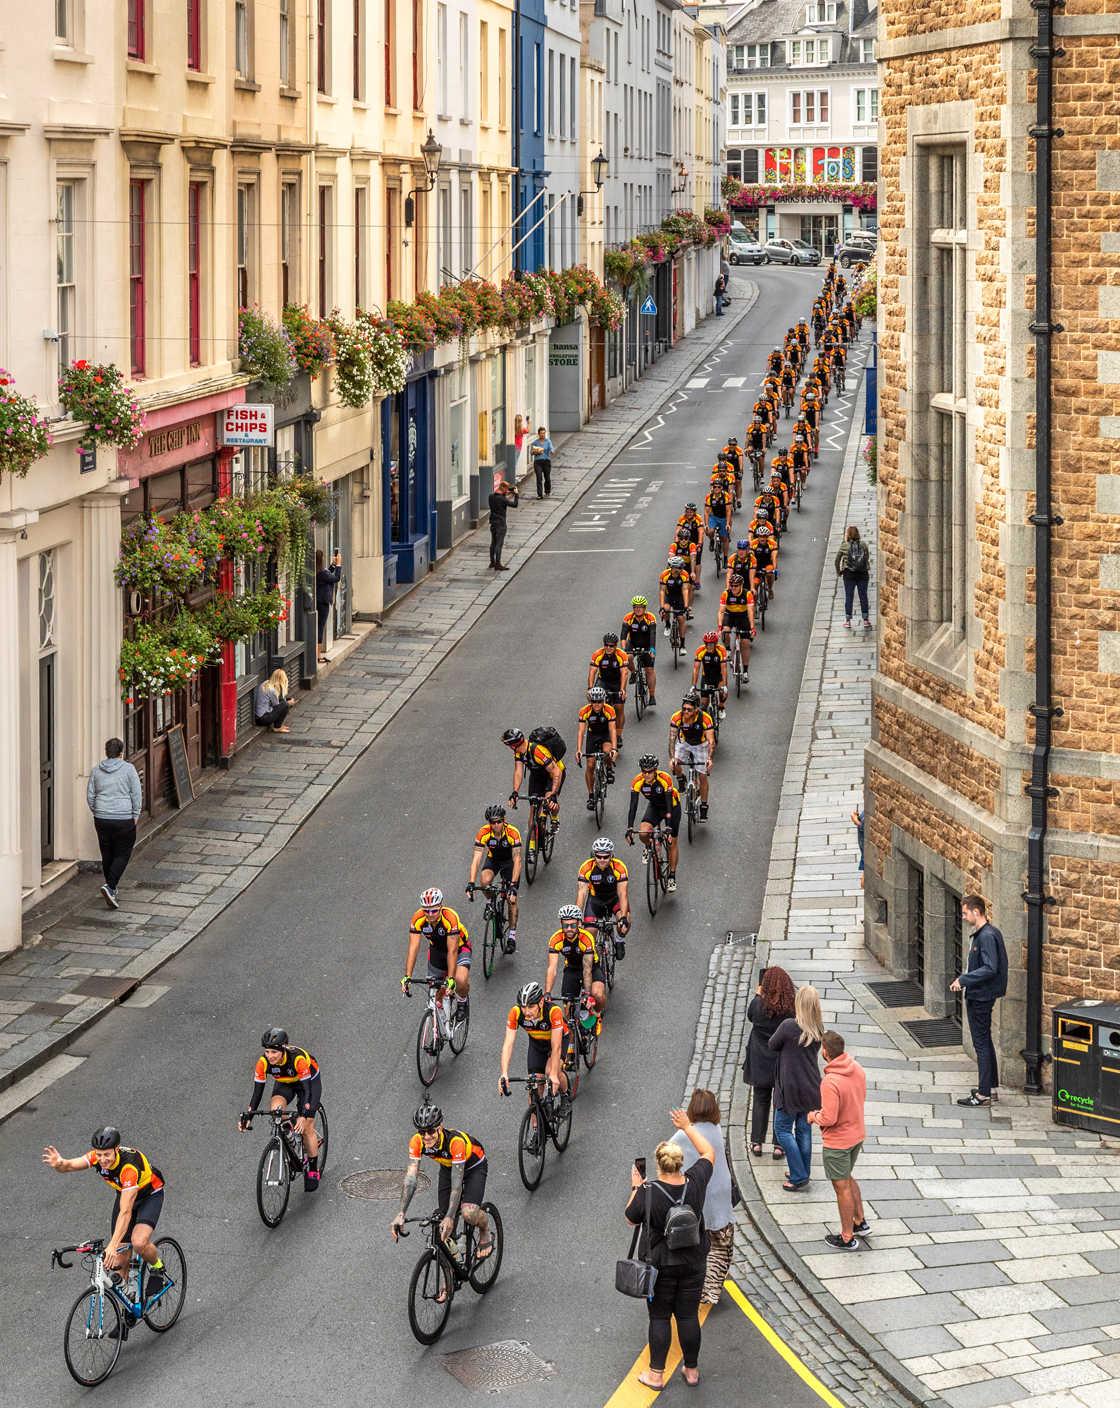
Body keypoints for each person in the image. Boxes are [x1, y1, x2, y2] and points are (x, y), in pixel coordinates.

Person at [626, 1108, 714, 1389]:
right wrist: (687, 1126)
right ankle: (691, 1371)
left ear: (658, 1164)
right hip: (694, 1260)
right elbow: (708, 1152)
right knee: (688, 1315)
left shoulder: (648, 1191)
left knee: (660, 1316)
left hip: (660, 1265)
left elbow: (631, 1219)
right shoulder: (696, 1181)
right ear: (680, 1163)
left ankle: (655, 1374)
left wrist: (635, 1187)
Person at [43, 1127, 169, 1295]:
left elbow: (125, 1212)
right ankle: (126, 1308)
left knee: (138, 1243)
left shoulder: (129, 1168)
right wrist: (59, 1164)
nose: (102, 1160)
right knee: (120, 1258)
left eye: (107, 1155)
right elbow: (68, 1166)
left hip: (149, 1195)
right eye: (99, 1155)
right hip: (125, 1194)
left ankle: (157, 1268)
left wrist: (112, 1245)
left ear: (117, 1149)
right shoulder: (98, 1156)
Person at [392, 1101, 492, 1259]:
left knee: (468, 1212)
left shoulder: (455, 1142)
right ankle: (451, 1275)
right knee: (441, 1225)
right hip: (449, 1167)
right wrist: (401, 1214)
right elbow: (411, 1178)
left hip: (473, 1166)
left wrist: (451, 1217)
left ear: (439, 1128)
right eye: (422, 1132)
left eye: (430, 1130)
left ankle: (485, 1231)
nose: (426, 1136)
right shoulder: (417, 1141)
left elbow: (457, 1185)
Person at [670, 1090, 734, 1304]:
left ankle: (704, 1290)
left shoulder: (685, 1134)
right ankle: (713, 1287)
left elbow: (668, 1155)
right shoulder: (716, 1128)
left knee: (702, 1244)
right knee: (720, 1242)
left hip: (702, 1195)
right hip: (722, 1192)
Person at [238, 1027, 323, 1190]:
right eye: (267, 1051)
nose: (270, 1056)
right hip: (285, 1082)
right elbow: (257, 1092)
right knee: (275, 1111)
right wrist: (248, 1117)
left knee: (307, 1126)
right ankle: (291, 1136)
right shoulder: (263, 1062)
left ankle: (313, 1169)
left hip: (308, 1082)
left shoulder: (298, 1059)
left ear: (283, 1049)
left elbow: (306, 1090)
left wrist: (303, 1115)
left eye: (274, 1053)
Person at [808, 1031, 870, 1250]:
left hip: (839, 1142)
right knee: (847, 1178)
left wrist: (813, 1116)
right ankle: (860, 1222)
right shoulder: (857, 1069)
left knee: (841, 1187)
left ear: (824, 1052)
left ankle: (847, 1237)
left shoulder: (830, 1082)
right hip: (856, 1135)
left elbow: (829, 1118)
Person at [951, 896, 1009, 1106]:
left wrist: (963, 980)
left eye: (966, 913)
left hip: (980, 996)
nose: (964, 917)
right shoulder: (987, 933)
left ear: (977, 912)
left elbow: (990, 968)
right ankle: (990, 1087)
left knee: (981, 1044)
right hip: (982, 994)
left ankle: (983, 1095)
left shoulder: (986, 936)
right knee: (985, 1041)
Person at [767, 984, 823, 1190]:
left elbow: (772, 1044)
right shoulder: (817, 1029)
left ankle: (798, 1176)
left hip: (789, 1087)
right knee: (803, 1130)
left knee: (782, 1130)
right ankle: (802, 1170)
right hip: (811, 1086)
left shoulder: (789, 1026)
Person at [742, 965, 796, 1159]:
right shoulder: (790, 1008)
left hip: (759, 1060)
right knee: (780, 1102)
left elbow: (750, 1016)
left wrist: (758, 995)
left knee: (760, 1099)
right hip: (781, 1061)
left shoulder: (758, 1006)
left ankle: (756, 1142)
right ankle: (778, 1145)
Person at [87, 738, 142, 910]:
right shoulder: (128, 769)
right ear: (121, 752)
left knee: (107, 852)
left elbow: (91, 795)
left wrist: (97, 812)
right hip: (123, 817)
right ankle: (110, 886)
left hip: (102, 818)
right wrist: (135, 814)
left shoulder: (96, 770)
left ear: (106, 752)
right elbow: (136, 794)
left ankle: (111, 886)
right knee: (123, 853)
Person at [403, 887, 471, 1021]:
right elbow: (413, 948)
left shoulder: (450, 917)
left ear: (441, 906)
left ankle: (462, 1001)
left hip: (460, 948)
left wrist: (451, 978)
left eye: (434, 910)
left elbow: (452, 951)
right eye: (426, 910)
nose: (430, 914)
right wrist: (407, 976)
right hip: (437, 951)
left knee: (459, 980)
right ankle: (437, 1036)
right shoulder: (418, 918)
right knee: (434, 993)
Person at [500, 980, 569, 1107]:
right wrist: (504, 1073)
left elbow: (556, 1047)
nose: (527, 1012)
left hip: (557, 1041)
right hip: (536, 1043)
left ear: (541, 1003)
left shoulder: (554, 1011)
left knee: (551, 1071)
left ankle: (565, 1094)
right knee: (534, 1088)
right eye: (524, 1007)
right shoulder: (515, 1013)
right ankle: (536, 1126)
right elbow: (507, 1045)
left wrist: (553, 1074)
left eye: (531, 1007)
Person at [467, 803, 521, 951]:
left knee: (511, 900)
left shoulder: (512, 833)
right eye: (493, 822)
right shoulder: (483, 833)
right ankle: (491, 901)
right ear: (488, 822)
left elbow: (518, 861)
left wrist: (513, 886)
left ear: (504, 819)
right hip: (494, 860)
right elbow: (476, 860)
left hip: (510, 863)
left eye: (499, 821)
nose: (496, 825)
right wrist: (471, 883)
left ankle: (512, 936)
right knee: (484, 881)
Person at [626, 754, 681, 892]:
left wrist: (668, 827)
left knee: (672, 842)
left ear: (655, 770)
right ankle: (648, 846)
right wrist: (630, 828)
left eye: (649, 771)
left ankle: (672, 877)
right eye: (644, 771)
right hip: (655, 808)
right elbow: (633, 806)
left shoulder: (665, 779)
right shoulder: (637, 781)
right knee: (643, 832)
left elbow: (669, 805)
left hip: (672, 807)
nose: (646, 774)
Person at [545, 903, 608, 1015]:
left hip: (592, 968)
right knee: (568, 1010)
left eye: (573, 925)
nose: (569, 929)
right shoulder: (556, 939)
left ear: (579, 923)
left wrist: (587, 994)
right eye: (566, 925)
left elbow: (587, 969)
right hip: (572, 969)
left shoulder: (586, 938)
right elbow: (552, 968)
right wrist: (547, 993)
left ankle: (597, 1014)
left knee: (597, 994)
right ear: (561, 924)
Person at [576, 836, 630, 959]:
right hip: (596, 900)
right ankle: (594, 959)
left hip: (614, 898)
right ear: (593, 854)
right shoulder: (586, 867)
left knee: (625, 922)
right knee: (589, 935)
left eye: (605, 857)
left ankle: (620, 940)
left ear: (611, 855)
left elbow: (623, 894)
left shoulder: (619, 867)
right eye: (598, 856)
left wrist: (623, 918)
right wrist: (577, 917)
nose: (602, 860)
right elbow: (581, 894)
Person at [502, 726, 565, 826]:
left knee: (550, 803)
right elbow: (518, 772)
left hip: (552, 775)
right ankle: (532, 841)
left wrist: (554, 794)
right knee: (533, 811)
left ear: (513, 745)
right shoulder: (518, 752)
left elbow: (557, 772)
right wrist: (515, 792)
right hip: (537, 776)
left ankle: (554, 818)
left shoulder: (537, 751)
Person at [669, 693, 715, 821]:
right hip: (684, 742)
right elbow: (672, 738)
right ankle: (681, 778)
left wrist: (709, 759)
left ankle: (704, 807)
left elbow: (711, 741)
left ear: (696, 709)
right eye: (684, 709)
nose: (686, 712)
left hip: (700, 744)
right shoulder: (677, 717)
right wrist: (672, 758)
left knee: (702, 775)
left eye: (689, 709)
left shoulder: (705, 719)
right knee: (675, 765)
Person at [576, 687, 618, 807]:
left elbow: (612, 730)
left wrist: (614, 749)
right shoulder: (584, 711)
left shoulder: (609, 710)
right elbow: (581, 732)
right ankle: (591, 796)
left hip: (605, 735)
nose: (597, 704)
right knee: (590, 765)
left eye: (599, 701)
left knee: (606, 751)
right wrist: (579, 750)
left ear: (604, 701)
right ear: (590, 701)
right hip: (592, 735)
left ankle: (609, 769)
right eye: (594, 702)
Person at [589, 633, 630, 749]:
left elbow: (624, 673)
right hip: (604, 681)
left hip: (617, 682)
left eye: (611, 646)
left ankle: (618, 735)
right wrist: (590, 689)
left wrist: (622, 689)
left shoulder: (621, 655)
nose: (608, 648)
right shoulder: (598, 654)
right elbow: (592, 672)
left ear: (616, 646)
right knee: (596, 701)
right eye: (606, 645)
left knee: (619, 708)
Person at [621, 595, 658, 709]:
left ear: (645, 608)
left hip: (647, 644)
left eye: (640, 607)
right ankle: (633, 672)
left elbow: (652, 634)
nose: (638, 609)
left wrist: (652, 649)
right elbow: (623, 635)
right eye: (635, 607)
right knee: (628, 657)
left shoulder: (650, 617)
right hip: (633, 643)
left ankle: (652, 696)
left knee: (649, 670)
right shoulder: (628, 618)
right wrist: (623, 649)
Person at [835, 525, 871, 629]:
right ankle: (865, 620)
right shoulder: (863, 544)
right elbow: (867, 557)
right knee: (863, 596)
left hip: (849, 574)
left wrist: (838, 571)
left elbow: (837, 559)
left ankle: (848, 620)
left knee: (849, 597)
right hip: (863, 574)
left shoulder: (844, 545)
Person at [692, 630, 728, 722]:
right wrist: (694, 685)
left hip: (718, 677)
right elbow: (696, 669)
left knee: (722, 692)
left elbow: (724, 669)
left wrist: (724, 686)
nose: (708, 646)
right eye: (706, 644)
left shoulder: (721, 650)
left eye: (711, 644)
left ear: (716, 643)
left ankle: (721, 706)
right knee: (703, 706)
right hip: (706, 678)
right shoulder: (701, 650)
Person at [315, 549, 342, 661]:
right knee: (320, 627)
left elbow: (328, 573)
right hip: (323, 603)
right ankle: (318, 654)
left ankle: (317, 653)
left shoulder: (319, 571)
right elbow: (336, 578)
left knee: (320, 627)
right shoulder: (321, 573)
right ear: (321, 559)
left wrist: (333, 565)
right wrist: (339, 565)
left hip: (320, 601)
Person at [488, 479, 519, 571]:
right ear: (505, 489)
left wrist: (506, 492)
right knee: (499, 544)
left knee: (493, 542)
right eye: (507, 489)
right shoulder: (503, 499)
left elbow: (498, 495)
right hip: (500, 524)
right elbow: (515, 504)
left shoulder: (491, 497)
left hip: (493, 523)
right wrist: (516, 494)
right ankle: (498, 564)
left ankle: (492, 562)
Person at [255, 668, 293, 733]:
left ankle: (279, 725)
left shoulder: (266, 683)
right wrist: (289, 703)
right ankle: (277, 727)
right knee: (286, 705)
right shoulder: (272, 690)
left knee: (285, 701)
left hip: (261, 715)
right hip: (263, 718)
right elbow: (277, 706)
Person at [529, 426, 555, 498]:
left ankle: (547, 491)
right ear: (539, 434)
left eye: (544, 433)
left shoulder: (548, 442)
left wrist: (552, 451)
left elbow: (551, 449)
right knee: (539, 477)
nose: (543, 435)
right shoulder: (535, 442)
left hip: (546, 461)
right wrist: (536, 451)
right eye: (541, 433)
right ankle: (539, 494)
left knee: (547, 477)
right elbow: (531, 452)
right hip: (538, 462)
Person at [851, 806, 865, 887]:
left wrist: (855, 820)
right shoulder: (867, 805)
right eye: (863, 792)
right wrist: (856, 817)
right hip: (864, 852)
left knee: (864, 883)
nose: (863, 794)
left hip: (867, 852)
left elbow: (864, 827)